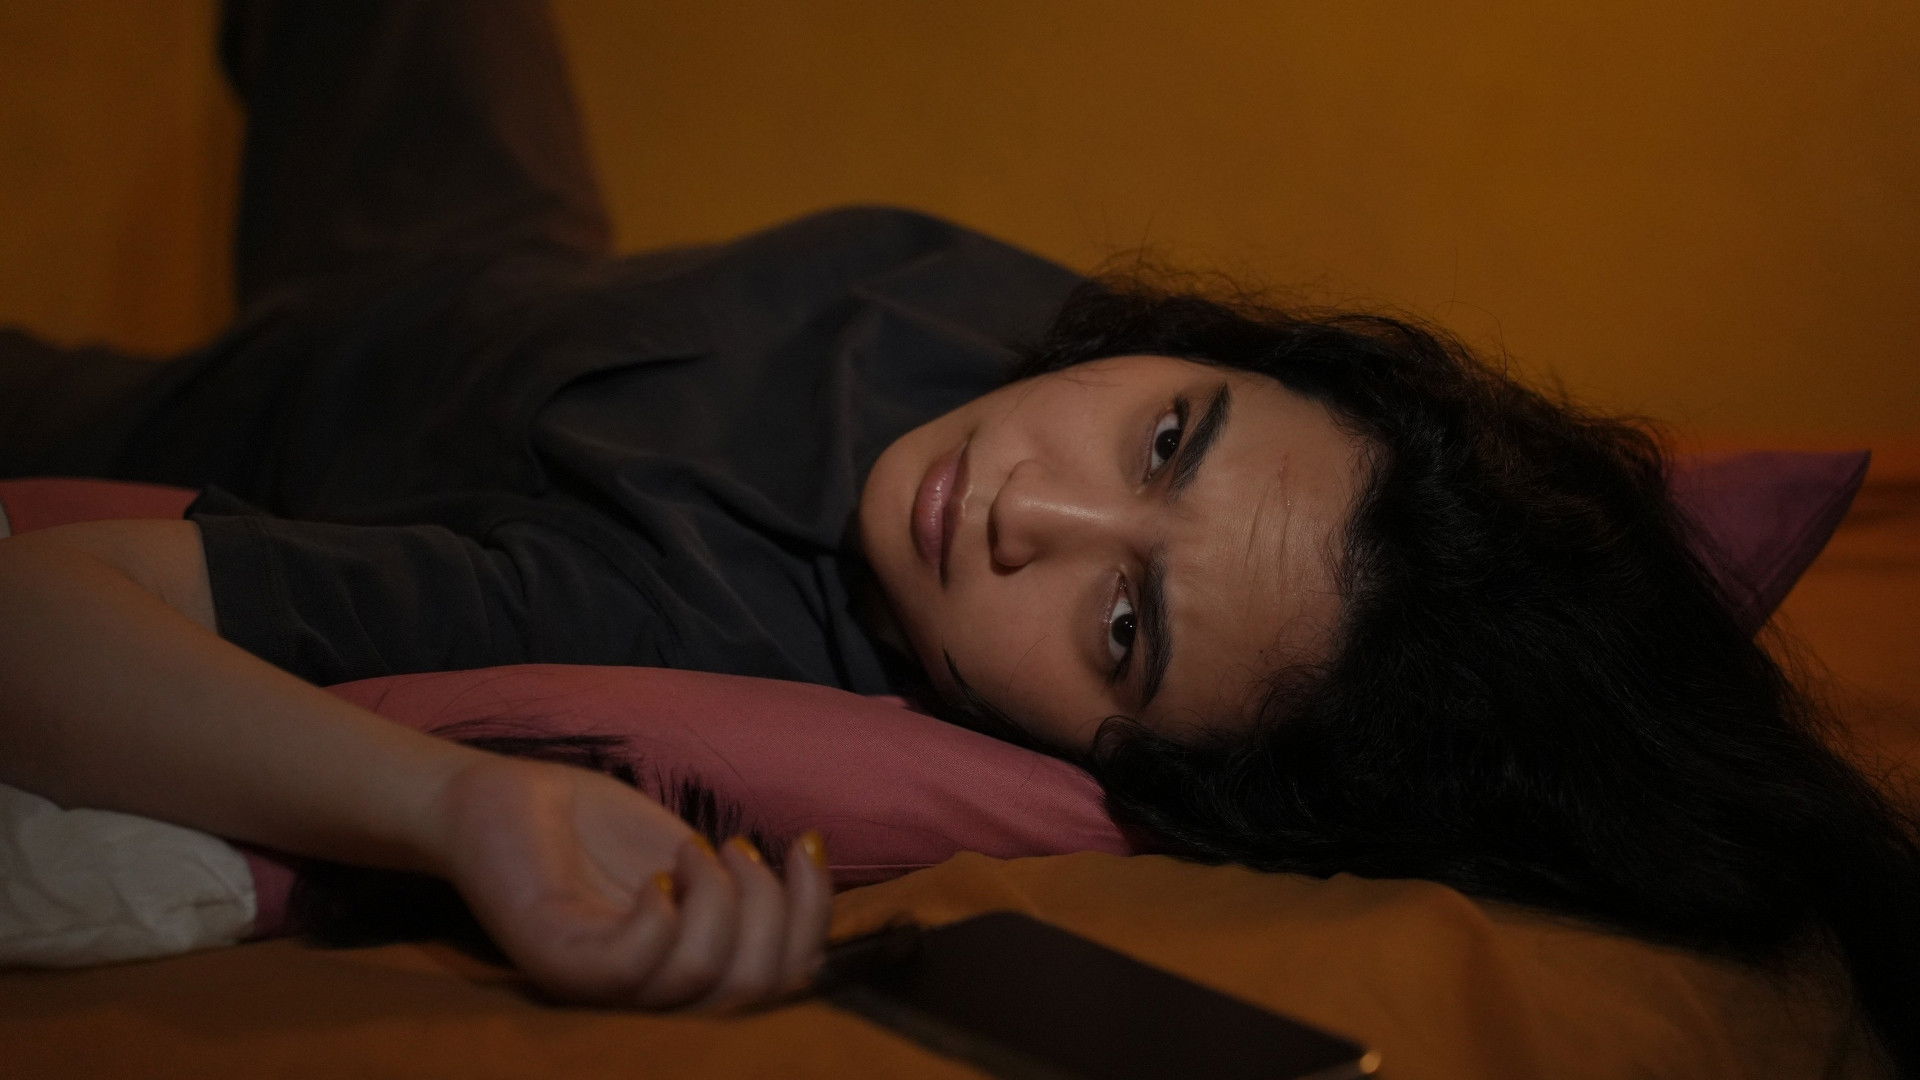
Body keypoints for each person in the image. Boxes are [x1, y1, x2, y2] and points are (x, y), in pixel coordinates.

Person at [1, 2, 1915, 1070]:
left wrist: (445, 810)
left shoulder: (665, 606)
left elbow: (35, 610)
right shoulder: (1070, 351)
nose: (1029, 505)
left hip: (267, 406)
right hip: (505, 268)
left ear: (1121, 764)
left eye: (1122, 632)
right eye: (1170, 436)